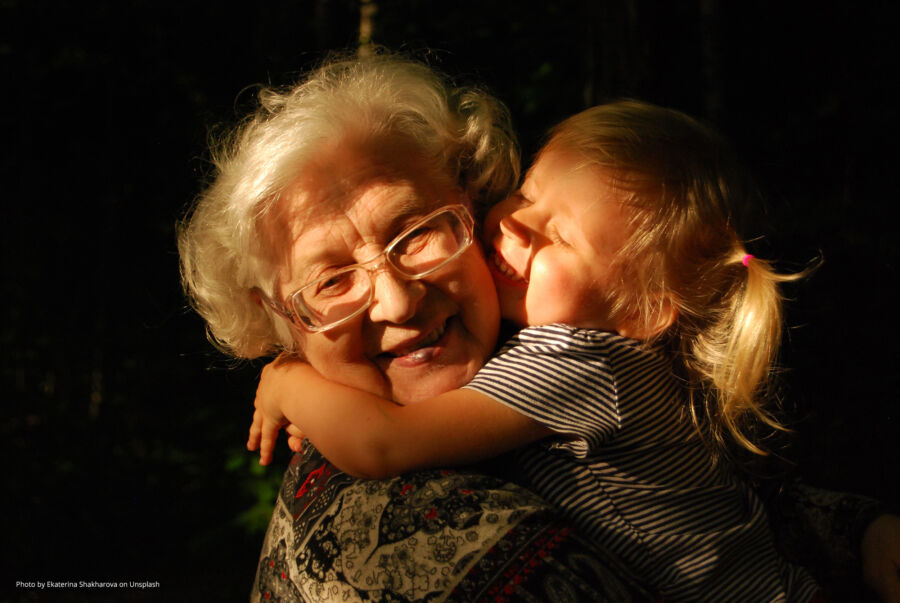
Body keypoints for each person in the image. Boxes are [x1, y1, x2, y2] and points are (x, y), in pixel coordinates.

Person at [179, 50, 900, 601]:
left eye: (417, 232)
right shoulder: (383, 539)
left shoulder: (567, 355)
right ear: (279, 320)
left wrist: (289, 382)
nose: (397, 303)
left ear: (468, 204)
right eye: (332, 280)